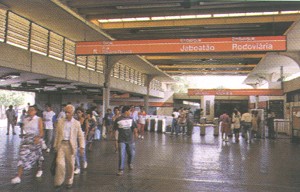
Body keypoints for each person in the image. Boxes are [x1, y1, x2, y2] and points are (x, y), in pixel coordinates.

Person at [53, 104, 85, 189]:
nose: (66, 114)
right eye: (65, 112)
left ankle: (69, 180)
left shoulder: (76, 123)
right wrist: (55, 145)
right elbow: (57, 134)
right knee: (60, 164)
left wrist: (82, 146)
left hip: (71, 146)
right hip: (61, 145)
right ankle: (59, 181)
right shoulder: (60, 121)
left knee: (71, 165)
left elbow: (80, 135)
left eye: (69, 112)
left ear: (73, 113)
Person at [11, 105, 44, 184]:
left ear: (35, 111)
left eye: (32, 110)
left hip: (36, 139)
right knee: (22, 156)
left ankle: (39, 169)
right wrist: (22, 135)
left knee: (37, 156)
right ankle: (18, 176)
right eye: (29, 110)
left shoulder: (38, 119)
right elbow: (25, 130)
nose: (30, 111)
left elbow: (41, 131)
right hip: (26, 140)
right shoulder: (25, 119)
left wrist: (38, 137)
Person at [113, 106, 138, 176]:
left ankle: (130, 163)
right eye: (130, 111)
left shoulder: (131, 119)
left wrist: (136, 133)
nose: (130, 112)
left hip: (130, 140)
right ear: (126, 111)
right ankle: (120, 169)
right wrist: (114, 138)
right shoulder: (118, 119)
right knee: (121, 154)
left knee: (131, 154)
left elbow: (134, 127)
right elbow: (114, 129)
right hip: (121, 140)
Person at [74, 107, 88, 175]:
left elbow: (86, 129)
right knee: (76, 151)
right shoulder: (75, 120)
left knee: (82, 151)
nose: (78, 114)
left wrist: (85, 137)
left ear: (82, 113)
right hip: (76, 137)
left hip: (82, 136)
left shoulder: (85, 120)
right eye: (77, 112)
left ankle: (84, 160)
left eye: (79, 112)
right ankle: (78, 167)